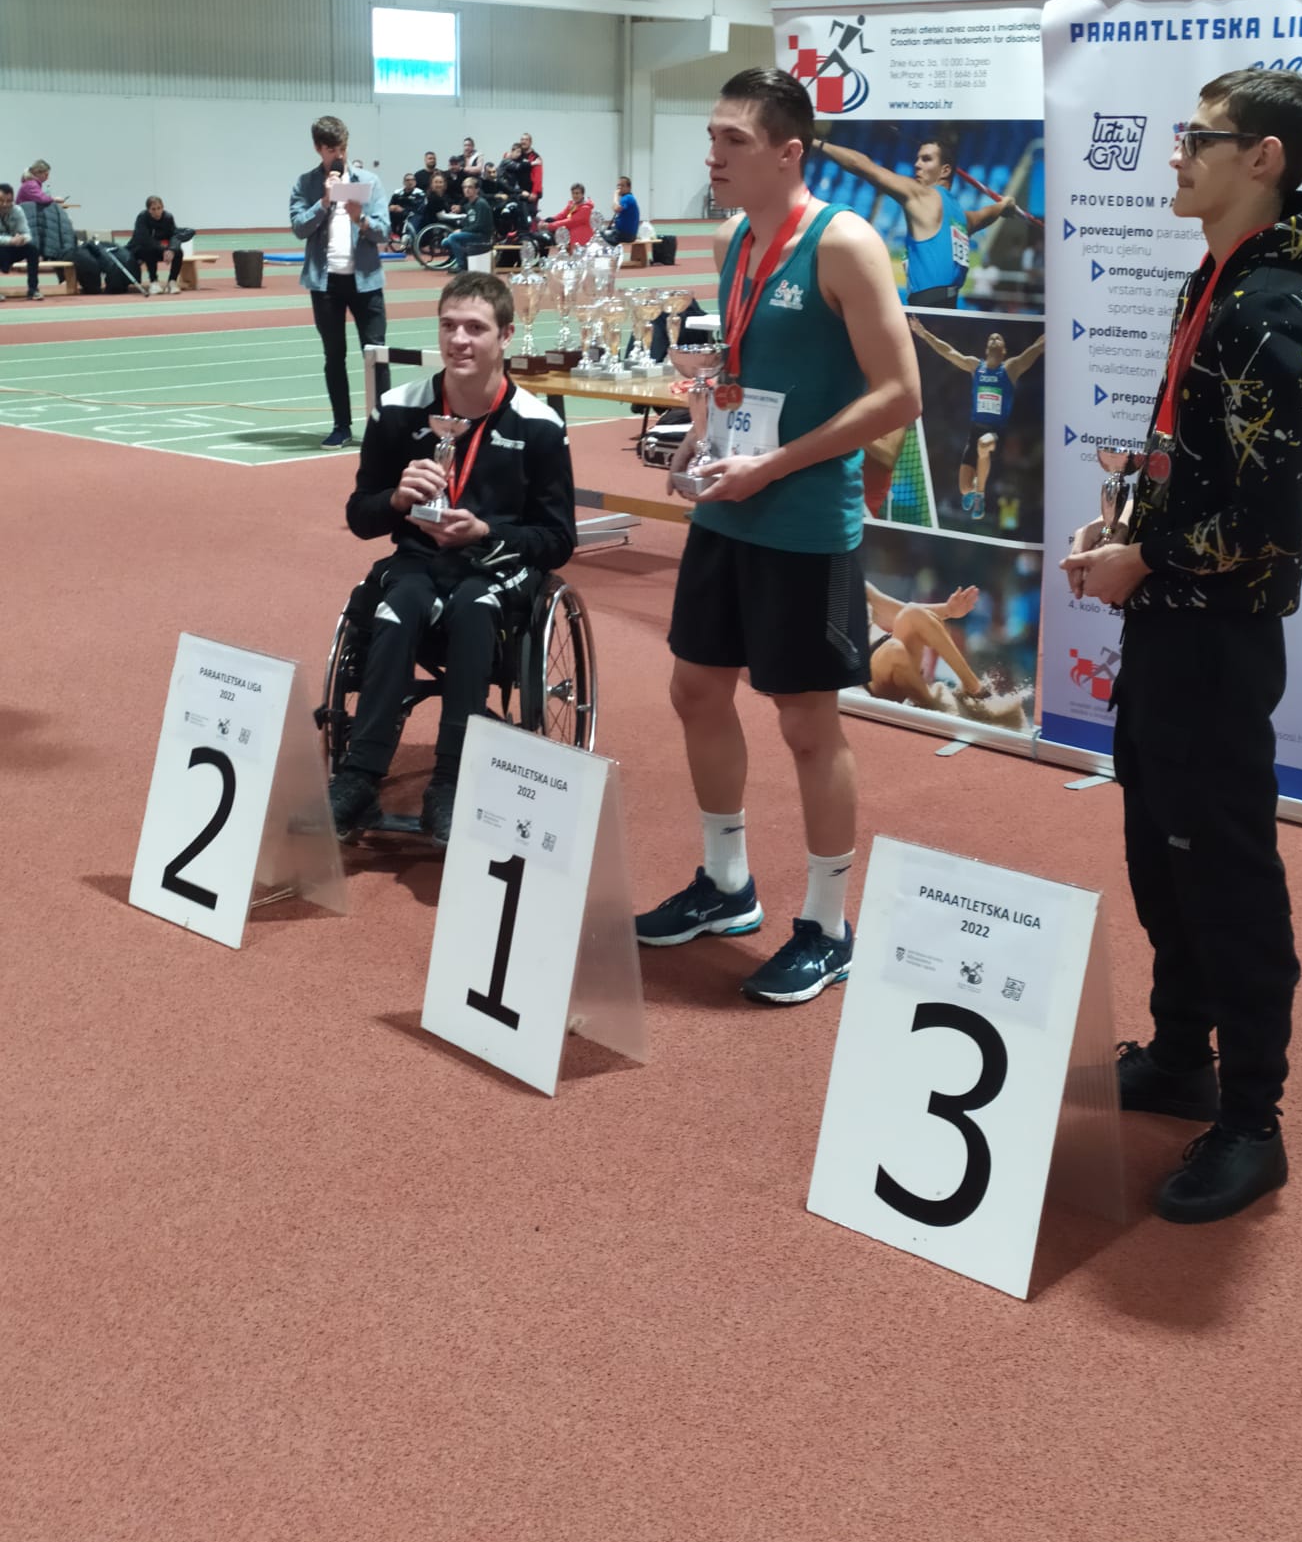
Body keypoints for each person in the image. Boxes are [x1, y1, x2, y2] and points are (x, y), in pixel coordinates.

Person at [1063, 68, 1302, 1226]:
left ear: (1263, 158)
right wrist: (1127, 525)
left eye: (1198, 136)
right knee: (1160, 852)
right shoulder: (1217, 283)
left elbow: (1266, 528)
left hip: (1216, 645)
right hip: (1168, 630)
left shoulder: (1276, 312)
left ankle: (1252, 1120)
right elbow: (1198, 466)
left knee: (1225, 875)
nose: (1174, 153)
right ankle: (1183, 1051)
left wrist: (1148, 558)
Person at [635, 67, 921, 1005]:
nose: (713, 156)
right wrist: (701, 427)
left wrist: (777, 463)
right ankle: (726, 884)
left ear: (789, 152)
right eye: (711, 138)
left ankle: (828, 926)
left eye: (735, 141)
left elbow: (901, 395)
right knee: (694, 690)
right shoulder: (733, 240)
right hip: (730, 500)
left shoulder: (846, 245)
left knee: (806, 724)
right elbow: (744, 366)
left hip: (803, 521)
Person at [331, 270, 577, 844]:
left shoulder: (540, 426)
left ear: (506, 336)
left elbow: (558, 539)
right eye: (448, 326)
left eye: (475, 328)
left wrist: (487, 530)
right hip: (418, 564)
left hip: (495, 568)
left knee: (473, 608)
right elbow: (361, 517)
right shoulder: (397, 410)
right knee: (397, 608)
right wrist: (396, 500)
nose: (458, 340)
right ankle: (359, 776)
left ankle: (449, 780)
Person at [812, 134, 1018, 307]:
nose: (916, 165)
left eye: (926, 159)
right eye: (918, 159)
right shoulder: (963, 218)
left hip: (926, 307)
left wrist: (816, 143)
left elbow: (862, 166)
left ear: (945, 170)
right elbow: (987, 213)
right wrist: (1003, 206)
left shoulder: (923, 196)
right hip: (950, 306)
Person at [289, 115, 391, 451]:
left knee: (376, 354)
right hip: (325, 283)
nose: (339, 155)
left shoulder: (369, 182)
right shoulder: (306, 184)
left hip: (366, 281)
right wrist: (324, 202)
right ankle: (341, 426)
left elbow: (385, 231)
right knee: (334, 356)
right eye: (332, 150)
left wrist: (360, 219)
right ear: (318, 149)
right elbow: (299, 227)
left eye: (343, 148)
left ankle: (382, 426)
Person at [911, 319, 1044, 521]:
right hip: (975, 430)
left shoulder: (1010, 368)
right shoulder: (976, 367)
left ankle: (980, 496)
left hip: (996, 432)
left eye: (998, 338)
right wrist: (924, 334)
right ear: (986, 349)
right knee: (964, 488)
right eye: (991, 338)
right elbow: (948, 352)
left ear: (1004, 351)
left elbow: (1037, 347)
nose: (994, 338)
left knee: (983, 445)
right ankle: (973, 490)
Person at [865, 582, 1028, 726]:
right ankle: (935, 706)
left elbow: (899, 611)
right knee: (895, 649)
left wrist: (949, 609)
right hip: (871, 670)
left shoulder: (859, 584)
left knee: (912, 612)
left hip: (891, 645)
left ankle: (976, 690)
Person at [127, 196, 192, 293]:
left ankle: (172, 282)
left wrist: (171, 249)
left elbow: (174, 235)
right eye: (153, 209)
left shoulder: (168, 218)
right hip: (140, 249)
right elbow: (144, 239)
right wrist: (164, 249)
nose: (157, 212)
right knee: (149, 250)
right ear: (148, 210)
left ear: (162, 208)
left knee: (178, 252)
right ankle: (154, 282)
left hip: (161, 249)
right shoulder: (142, 218)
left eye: (159, 208)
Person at [0, 183, 42, 300]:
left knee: (32, 250)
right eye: (1, 201)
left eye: (9, 201)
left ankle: (33, 289)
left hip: (13, 247)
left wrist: (22, 239)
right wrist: (10, 240)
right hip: (2, 247)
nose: (5, 204)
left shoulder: (17, 211)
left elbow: (27, 234)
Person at [443, 175, 494, 266]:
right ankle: (464, 258)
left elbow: (479, 225)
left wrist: (462, 231)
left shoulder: (481, 204)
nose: (466, 190)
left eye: (470, 187)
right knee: (445, 242)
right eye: (464, 187)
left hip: (482, 236)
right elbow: (467, 222)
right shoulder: (468, 205)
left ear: (477, 190)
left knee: (453, 238)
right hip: (472, 233)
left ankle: (462, 265)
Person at [547, 183, 595, 251]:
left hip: (581, 240)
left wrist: (549, 226)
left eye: (577, 193)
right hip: (569, 238)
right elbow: (561, 215)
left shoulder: (586, 208)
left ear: (582, 194)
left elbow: (571, 221)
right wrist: (547, 221)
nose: (575, 196)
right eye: (573, 193)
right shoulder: (572, 205)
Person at [389, 172, 426, 250]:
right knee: (389, 214)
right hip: (399, 215)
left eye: (412, 180)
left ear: (415, 182)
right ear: (404, 182)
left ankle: (408, 239)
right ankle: (393, 234)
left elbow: (419, 208)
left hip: (415, 215)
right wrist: (392, 207)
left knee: (414, 218)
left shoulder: (420, 193)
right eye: (407, 180)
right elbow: (391, 205)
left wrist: (403, 209)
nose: (410, 182)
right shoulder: (397, 193)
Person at [603, 176, 640, 247]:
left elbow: (616, 208)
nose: (619, 188)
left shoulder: (627, 198)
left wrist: (615, 195)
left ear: (629, 188)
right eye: (618, 185)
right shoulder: (628, 198)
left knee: (600, 235)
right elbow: (615, 208)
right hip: (628, 235)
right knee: (605, 231)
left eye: (622, 185)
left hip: (624, 235)